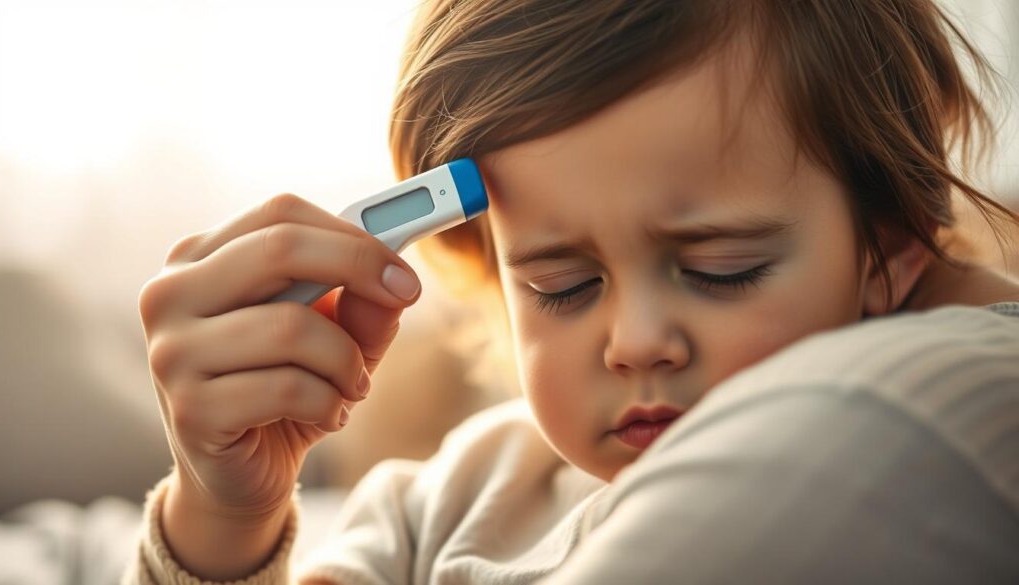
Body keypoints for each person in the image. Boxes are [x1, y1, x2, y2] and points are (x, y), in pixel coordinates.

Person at [125, 0, 1019, 583]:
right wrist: (221, 517)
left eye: (720, 268)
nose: (633, 340)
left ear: (891, 247)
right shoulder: (446, 498)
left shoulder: (902, 449)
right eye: (561, 284)